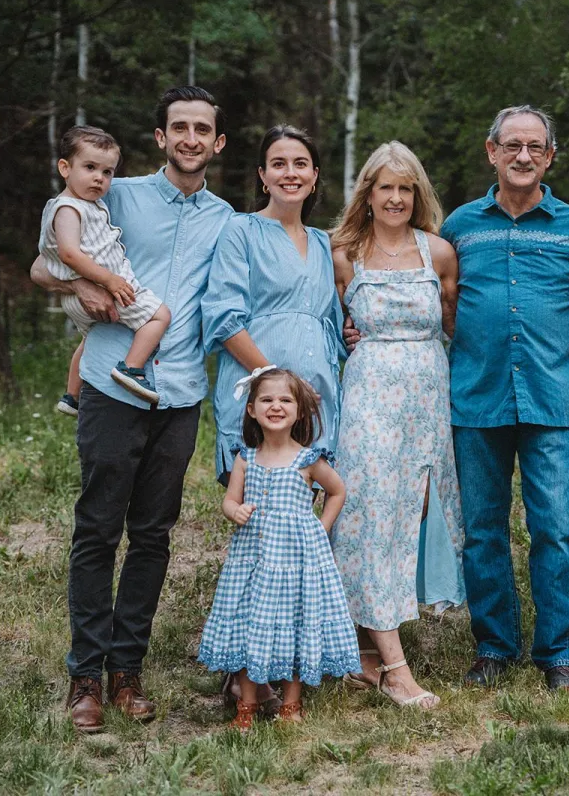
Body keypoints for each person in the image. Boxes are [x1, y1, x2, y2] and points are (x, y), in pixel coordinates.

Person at [29, 86, 233, 732]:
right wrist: (81, 282)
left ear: (218, 142)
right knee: (97, 529)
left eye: (203, 128)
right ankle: (84, 676)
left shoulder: (227, 219)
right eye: (180, 127)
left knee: (152, 535)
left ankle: (127, 670)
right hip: (113, 388)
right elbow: (42, 264)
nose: (192, 138)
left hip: (179, 395)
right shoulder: (116, 192)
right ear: (161, 136)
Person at [441, 105, 569, 692]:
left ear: (550, 156)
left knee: (555, 527)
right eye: (512, 146)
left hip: (551, 400)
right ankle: (494, 648)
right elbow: (439, 298)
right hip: (475, 400)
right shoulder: (460, 227)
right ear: (492, 152)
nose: (523, 156)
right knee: (483, 529)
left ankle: (559, 653)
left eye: (534, 147)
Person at [330, 141, 464, 709]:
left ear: (418, 194)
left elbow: (454, 325)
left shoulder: (438, 252)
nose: (395, 198)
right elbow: (333, 324)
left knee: (417, 513)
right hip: (369, 400)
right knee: (369, 516)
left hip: (428, 398)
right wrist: (344, 335)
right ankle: (397, 668)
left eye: (405, 188)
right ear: (368, 192)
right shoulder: (344, 252)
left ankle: (363, 652)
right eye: (385, 186)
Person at [197, 367, 359, 731]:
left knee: (294, 625)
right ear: (252, 409)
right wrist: (234, 511)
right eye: (266, 399)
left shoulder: (308, 459)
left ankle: (291, 703)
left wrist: (321, 527)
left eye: (285, 400)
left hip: (294, 563)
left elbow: (338, 491)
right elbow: (228, 500)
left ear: (299, 411)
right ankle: (248, 703)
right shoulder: (246, 458)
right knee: (246, 623)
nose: (276, 406)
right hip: (251, 561)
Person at [202, 125, 345, 487]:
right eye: (278, 164)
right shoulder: (241, 230)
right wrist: (276, 380)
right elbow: (224, 320)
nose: (290, 173)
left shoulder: (322, 243)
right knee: (259, 515)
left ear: (314, 176)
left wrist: (352, 334)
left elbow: (329, 320)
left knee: (297, 514)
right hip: (262, 395)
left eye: (300, 164)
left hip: (315, 394)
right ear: (263, 176)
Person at [41, 126, 172, 413]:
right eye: (89, 167)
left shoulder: (88, 205)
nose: (99, 178)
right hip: (109, 288)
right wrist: (110, 280)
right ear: (65, 167)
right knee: (160, 317)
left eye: (107, 172)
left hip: (87, 294)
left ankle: (72, 396)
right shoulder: (68, 208)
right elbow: (68, 253)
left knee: (89, 341)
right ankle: (132, 368)